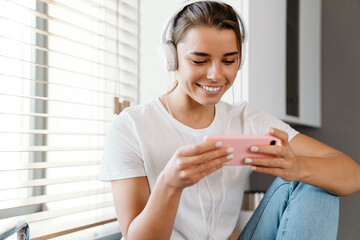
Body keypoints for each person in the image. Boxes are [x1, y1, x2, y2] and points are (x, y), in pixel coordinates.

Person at [99, 1, 360, 239]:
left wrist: (298, 168)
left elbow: (352, 174)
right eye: (199, 60)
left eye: (229, 60)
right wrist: (170, 183)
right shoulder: (131, 127)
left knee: (318, 184)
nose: (215, 75)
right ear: (171, 57)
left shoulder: (245, 119)